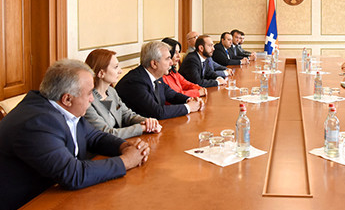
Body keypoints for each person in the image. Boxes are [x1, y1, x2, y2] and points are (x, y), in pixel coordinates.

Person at [0, 59, 150, 210]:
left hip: (56, 194)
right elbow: (73, 174)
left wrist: (125, 146)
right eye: (90, 93)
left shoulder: (60, 108)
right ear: (67, 98)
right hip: (28, 202)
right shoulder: (37, 123)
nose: (92, 99)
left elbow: (95, 137)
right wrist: (126, 161)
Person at [84, 49, 162, 139]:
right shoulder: (87, 101)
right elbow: (107, 133)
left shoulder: (111, 91)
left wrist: (147, 122)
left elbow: (127, 115)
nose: (120, 71)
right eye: (116, 67)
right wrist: (141, 128)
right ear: (101, 73)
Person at [116, 41, 203, 119]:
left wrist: (189, 100)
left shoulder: (156, 77)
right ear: (154, 64)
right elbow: (157, 112)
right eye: (167, 58)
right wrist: (188, 107)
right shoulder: (135, 82)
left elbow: (171, 95)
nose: (171, 63)